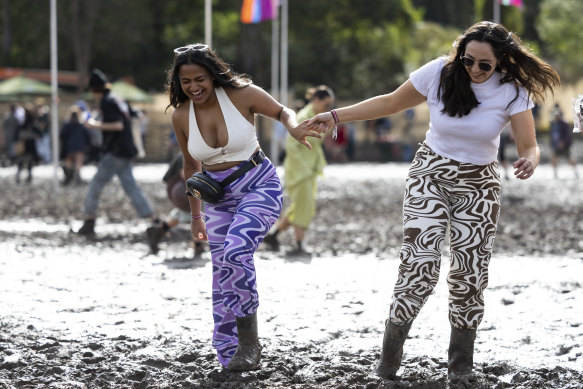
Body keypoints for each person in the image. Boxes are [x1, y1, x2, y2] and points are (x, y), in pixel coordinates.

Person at [307, 21, 560, 380]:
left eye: (484, 65)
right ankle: (389, 362)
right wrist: (335, 115)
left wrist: (530, 161)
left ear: (501, 61)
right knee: (420, 267)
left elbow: (529, 145)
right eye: (467, 60)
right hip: (431, 174)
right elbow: (390, 102)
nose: (473, 69)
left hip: (480, 184)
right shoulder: (438, 73)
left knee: (469, 275)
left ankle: (460, 365)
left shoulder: (512, 91)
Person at [166, 43, 319, 371]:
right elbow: (191, 168)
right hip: (216, 199)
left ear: (213, 74)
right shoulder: (181, 116)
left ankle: (250, 343)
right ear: (178, 83)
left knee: (236, 253)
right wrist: (195, 217)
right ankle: (229, 350)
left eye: (200, 79)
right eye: (186, 81)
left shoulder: (241, 94)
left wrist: (292, 127)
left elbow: (281, 111)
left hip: (258, 185)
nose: (194, 87)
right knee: (222, 270)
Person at [75, 69, 157, 235]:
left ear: (94, 90)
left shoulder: (107, 101)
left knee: (96, 184)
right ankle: (153, 219)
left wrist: (93, 125)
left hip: (115, 151)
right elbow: (137, 116)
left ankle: (89, 220)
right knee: (131, 186)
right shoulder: (118, 98)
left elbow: (118, 125)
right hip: (127, 149)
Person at [263, 85, 335, 255]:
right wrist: (304, 169)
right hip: (300, 170)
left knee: (302, 206)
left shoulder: (316, 118)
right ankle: (300, 243)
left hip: (309, 169)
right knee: (304, 206)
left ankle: (274, 234)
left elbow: (317, 144)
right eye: (326, 105)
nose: (328, 109)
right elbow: (291, 146)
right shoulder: (303, 118)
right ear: (316, 100)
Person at [146, 153, 205, 256]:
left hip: (179, 191)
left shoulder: (182, 153)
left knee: (182, 214)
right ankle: (198, 244)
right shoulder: (193, 153)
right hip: (187, 191)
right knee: (199, 215)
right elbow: (185, 174)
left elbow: (167, 178)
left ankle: (159, 230)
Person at [60, 105, 91, 185]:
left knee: (69, 162)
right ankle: (75, 177)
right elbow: (87, 136)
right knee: (78, 163)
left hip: (70, 146)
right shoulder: (82, 125)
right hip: (80, 146)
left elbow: (62, 135)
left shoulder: (67, 125)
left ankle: (69, 177)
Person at [15, 104, 41, 184]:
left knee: (21, 161)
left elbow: (17, 134)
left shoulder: (22, 124)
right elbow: (40, 134)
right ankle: (29, 176)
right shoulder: (33, 124)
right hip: (30, 145)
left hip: (24, 144)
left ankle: (19, 175)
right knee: (29, 161)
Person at [549, 109, 578, 178]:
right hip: (556, 145)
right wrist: (552, 143)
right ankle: (555, 174)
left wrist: (563, 142)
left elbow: (568, 135)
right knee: (553, 158)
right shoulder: (554, 124)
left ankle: (576, 172)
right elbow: (553, 135)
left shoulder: (565, 124)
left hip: (565, 145)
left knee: (568, 158)